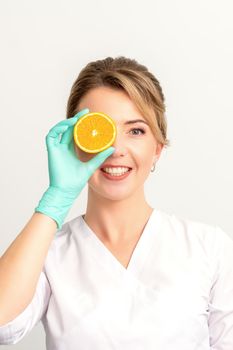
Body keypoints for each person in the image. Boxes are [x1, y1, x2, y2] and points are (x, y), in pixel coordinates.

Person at [0, 56, 232, 350]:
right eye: (99, 130)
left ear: (157, 148)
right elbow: (3, 325)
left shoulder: (209, 248)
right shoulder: (47, 254)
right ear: (75, 142)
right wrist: (55, 200)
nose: (116, 150)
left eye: (135, 130)